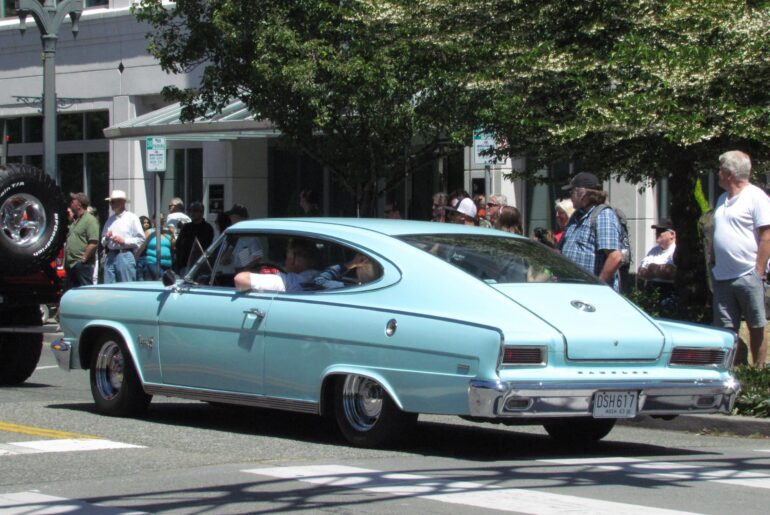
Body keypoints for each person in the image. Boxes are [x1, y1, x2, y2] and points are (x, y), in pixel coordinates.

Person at [711, 150, 770, 367]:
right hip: (722, 275)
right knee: (725, 330)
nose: (717, 173)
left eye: (720, 169)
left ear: (729, 173)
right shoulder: (722, 199)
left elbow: (767, 236)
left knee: (756, 325)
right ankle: (730, 370)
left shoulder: (756, 197)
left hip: (747, 274)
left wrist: (758, 271)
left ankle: (758, 372)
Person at [560, 172, 623, 291]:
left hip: (591, 293)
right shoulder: (576, 216)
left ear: (582, 193)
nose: (570, 197)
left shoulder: (603, 215)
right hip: (571, 289)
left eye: (572, 192)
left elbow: (615, 257)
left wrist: (599, 286)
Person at [235, 238, 320, 293]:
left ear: (293, 259)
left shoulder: (287, 281)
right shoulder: (322, 276)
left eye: (286, 255)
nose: (285, 260)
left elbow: (241, 279)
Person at [101, 189, 145, 283]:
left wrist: (124, 241)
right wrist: (107, 237)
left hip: (125, 254)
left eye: (113, 202)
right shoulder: (110, 220)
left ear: (122, 202)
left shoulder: (132, 218)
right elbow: (103, 241)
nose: (111, 204)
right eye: (110, 202)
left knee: (126, 284)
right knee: (109, 286)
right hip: (110, 255)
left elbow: (141, 239)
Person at [64, 192, 100, 289]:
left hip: (82, 265)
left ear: (79, 204)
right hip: (71, 264)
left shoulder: (90, 220)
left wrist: (83, 259)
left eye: (73, 201)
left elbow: (93, 243)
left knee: (85, 291)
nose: (71, 203)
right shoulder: (76, 221)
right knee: (72, 292)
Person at [174, 201, 215, 273]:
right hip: (184, 264)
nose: (192, 213)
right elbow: (178, 244)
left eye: (195, 211)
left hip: (200, 264)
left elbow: (207, 246)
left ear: (201, 212)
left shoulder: (207, 228)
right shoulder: (186, 227)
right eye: (191, 211)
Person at [313, 253, 378, 289]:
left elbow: (319, 281)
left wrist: (351, 264)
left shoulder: (350, 289)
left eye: (363, 263)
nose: (358, 268)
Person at [135, 215, 153, 281]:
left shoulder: (151, 233)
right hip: (140, 257)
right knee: (140, 278)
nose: (146, 224)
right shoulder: (137, 233)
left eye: (148, 222)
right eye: (144, 222)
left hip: (148, 257)